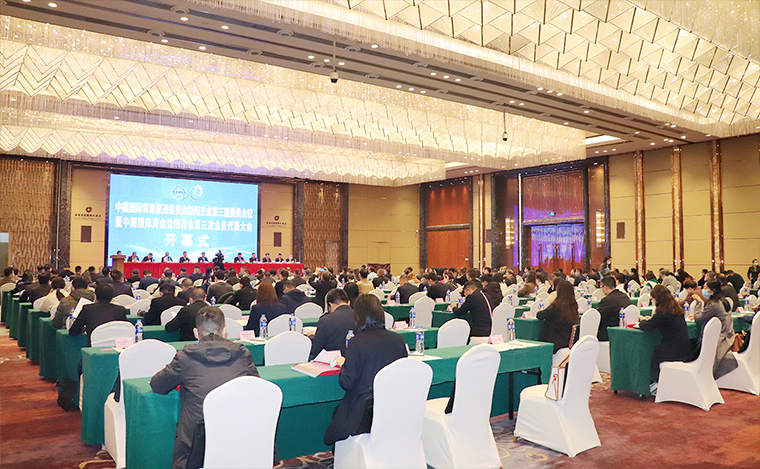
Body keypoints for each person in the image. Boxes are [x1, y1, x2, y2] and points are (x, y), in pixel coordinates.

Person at [150, 307, 262, 469]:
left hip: (195, 446)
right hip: (237, 436)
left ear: (196, 332)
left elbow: (158, 385)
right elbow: (255, 385)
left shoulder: (185, 357)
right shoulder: (243, 354)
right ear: (224, 331)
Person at [323, 294, 407, 446]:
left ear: (358, 317)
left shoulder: (356, 342)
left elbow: (347, 383)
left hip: (363, 412)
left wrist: (344, 366)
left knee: (336, 417)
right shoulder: (397, 339)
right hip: (391, 407)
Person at [638, 285, 691, 389]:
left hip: (672, 350)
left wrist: (643, 321)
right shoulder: (676, 309)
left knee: (654, 354)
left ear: (657, 299)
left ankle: (656, 384)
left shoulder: (662, 312)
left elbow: (647, 327)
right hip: (684, 348)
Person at [690, 279, 738, 379]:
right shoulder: (724, 301)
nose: (703, 290)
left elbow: (699, 319)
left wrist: (698, 304)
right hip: (728, 335)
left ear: (713, 290)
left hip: (720, 340)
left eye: (705, 288)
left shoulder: (714, 304)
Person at [307, 288, 357, 358]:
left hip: (332, 360)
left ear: (330, 305)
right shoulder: (361, 317)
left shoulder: (326, 320)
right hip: (357, 359)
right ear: (348, 302)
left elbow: (315, 348)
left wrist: (311, 336)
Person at [536, 280, 579, 353]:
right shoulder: (574, 305)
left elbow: (540, 315)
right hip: (568, 341)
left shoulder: (557, 305)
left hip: (554, 342)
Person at [596, 275, 632, 341]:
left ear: (605, 287)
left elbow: (598, 317)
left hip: (609, 333)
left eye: (601, 287)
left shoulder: (607, 300)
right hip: (624, 331)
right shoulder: (625, 296)